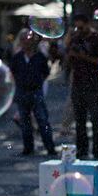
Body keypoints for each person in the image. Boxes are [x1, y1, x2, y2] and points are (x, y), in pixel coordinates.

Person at [66, 14, 98, 160]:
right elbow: (68, 60)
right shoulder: (75, 38)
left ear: (88, 24)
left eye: (81, 27)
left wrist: (84, 57)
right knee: (79, 121)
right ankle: (82, 150)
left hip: (95, 85)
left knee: (96, 121)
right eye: (77, 27)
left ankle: (97, 152)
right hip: (78, 84)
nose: (79, 30)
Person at [9, 29, 57, 157]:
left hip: (36, 92)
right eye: (23, 39)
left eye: (28, 39)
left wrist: (37, 82)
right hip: (22, 92)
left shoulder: (40, 56)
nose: (26, 42)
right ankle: (28, 148)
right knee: (25, 122)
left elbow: (46, 73)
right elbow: (12, 74)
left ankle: (50, 148)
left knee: (43, 120)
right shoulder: (17, 58)